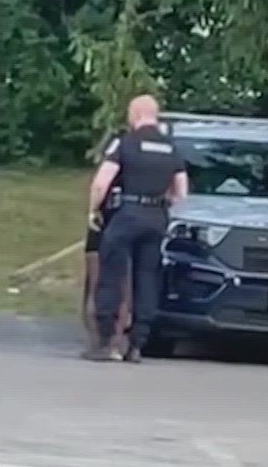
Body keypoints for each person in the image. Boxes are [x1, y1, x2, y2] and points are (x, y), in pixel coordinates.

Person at [86, 95, 187, 363]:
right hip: (156, 217)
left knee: (111, 275)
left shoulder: (125, 143)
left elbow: (101, 183)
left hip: (126, 214)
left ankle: (106, 342)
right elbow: (181, 191)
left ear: (135, 114)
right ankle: (137, 344)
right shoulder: (171, 148)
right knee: (147, 278)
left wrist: (95, 210)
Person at [79, 130, 133, 360]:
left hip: (100, 225)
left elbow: (99, 187)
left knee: (94, 286)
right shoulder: (139, 169)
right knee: (124, 288)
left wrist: (93, 211)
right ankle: (116, 343)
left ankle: (95, 342)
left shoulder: (110, 161)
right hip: (125, 226)